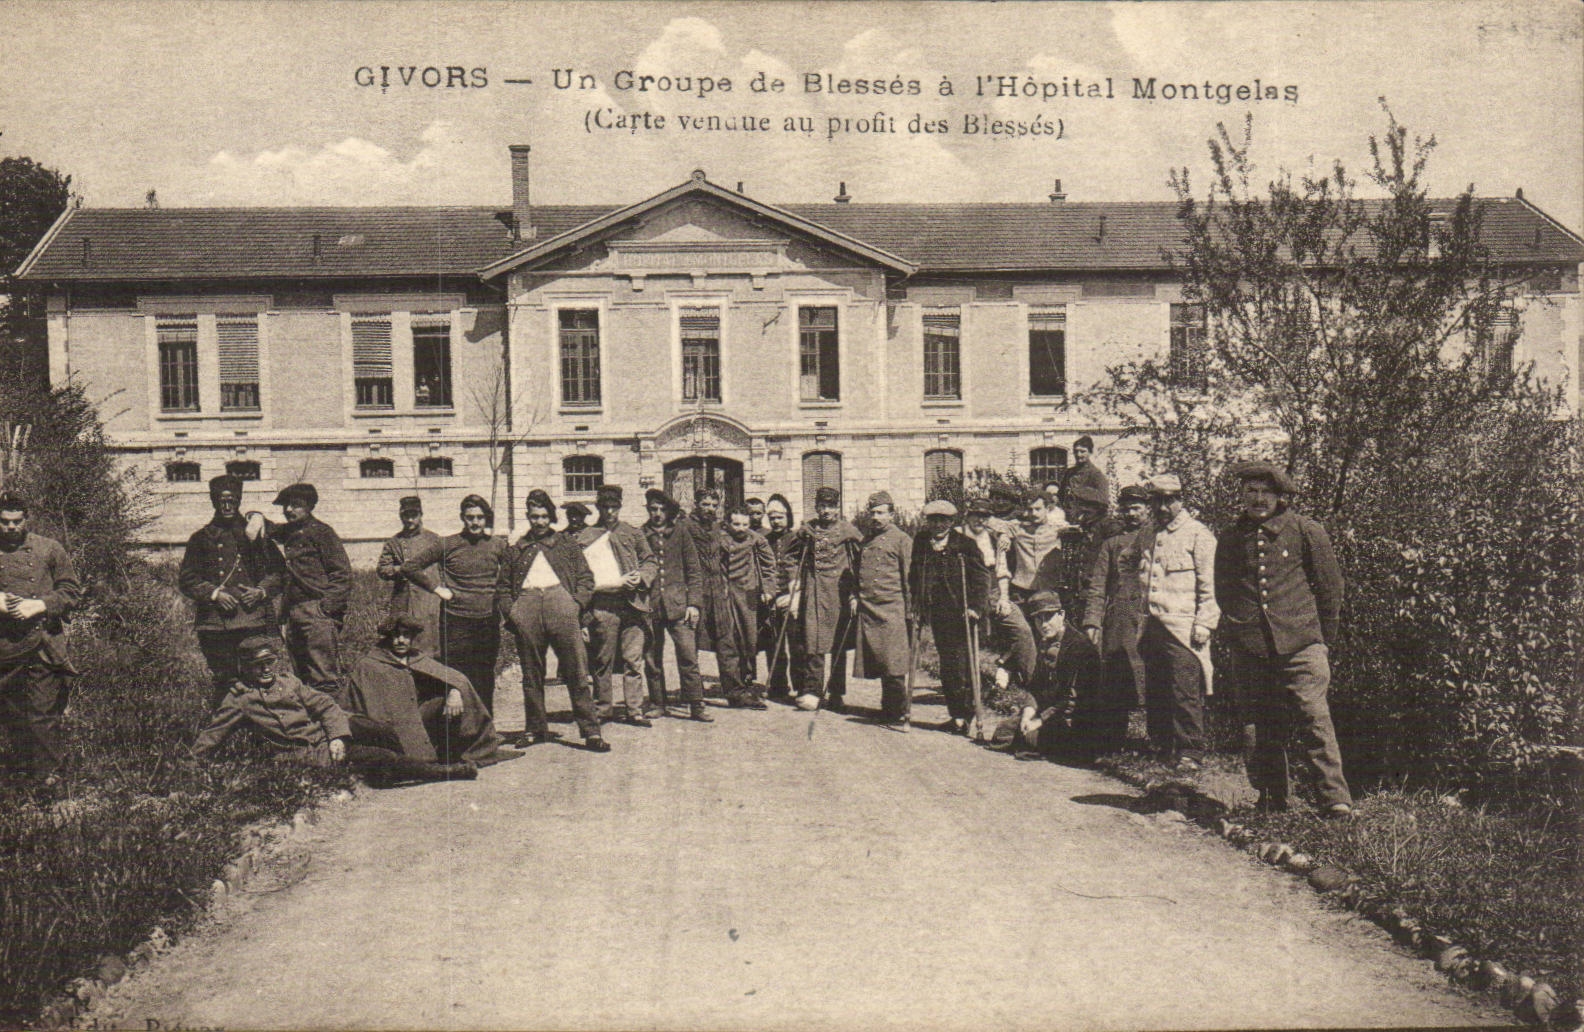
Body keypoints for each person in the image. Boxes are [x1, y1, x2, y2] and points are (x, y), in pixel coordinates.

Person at [1216, 462, 1352, 818]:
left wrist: (1323, 640)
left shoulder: (1306, 530)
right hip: (1251, 647)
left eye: (1266, 492)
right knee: (1258, 725)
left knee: (1314, 718)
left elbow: (1330, 589)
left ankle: (1335, 800)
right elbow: (1224, 589)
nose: (1258, 499)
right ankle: (1272, 798)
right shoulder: (1232, 537)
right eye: (1251, 492)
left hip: (1302, 644)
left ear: (1279, 496)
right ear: (1242, 495)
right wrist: (1239, 630)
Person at [194, 634, 477, 784]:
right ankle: (443, 772)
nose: (267, 669)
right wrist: (192, 762)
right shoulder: (239, 698)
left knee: (380, 730)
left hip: (327, 738)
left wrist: (337, 736)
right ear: (246, 667)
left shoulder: (289, 683)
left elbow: (326, 705)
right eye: (259, 665)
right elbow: (213, 732)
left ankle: (398, 766)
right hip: (304, 753)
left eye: (270, 662)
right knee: (380, 755)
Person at [496, 490, 608, 751]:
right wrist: (512, 612)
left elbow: (586, 578)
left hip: (562, 605)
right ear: (528, 517)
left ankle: (591, 731)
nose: (539, 522)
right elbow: (502, 586)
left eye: (544, 516)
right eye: (534, 516)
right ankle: (535, 729)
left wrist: (575, 605)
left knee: (576, 670)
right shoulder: (517, 549)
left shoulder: (566, 544)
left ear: (551, 517)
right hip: (527, 606)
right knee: (531, 673)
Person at [340, 614, 508, 766]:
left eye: (406, 635)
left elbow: (456, 678)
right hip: (389, 729)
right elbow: (349, 706)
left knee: (448, 700)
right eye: (396, 635)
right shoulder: (369, 665)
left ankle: (460, 751)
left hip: (419, 718)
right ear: (387, 638)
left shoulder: (417, 658)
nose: (401, 640)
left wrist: (454, 691)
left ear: (413, 637)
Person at [179, 474, 285, 707]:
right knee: (224, 681)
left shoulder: (255, 534)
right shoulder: (201, 538)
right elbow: (187, 578)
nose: (227, 506)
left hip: (252, 619)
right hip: (215, 624)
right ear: (213, 501)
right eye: (221, 500)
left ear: (239, 500)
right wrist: (214, 594)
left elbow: (279, 572)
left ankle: (262, 732)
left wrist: (261, 591)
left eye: (232, 500)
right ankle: (226, 733)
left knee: (258, 678)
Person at [1136, 473, 1219, 768]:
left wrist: (1205, 623)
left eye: (1169, 500)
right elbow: (1128, 561)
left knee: (1185, 691)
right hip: (1152, 625)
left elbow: (1211, 584)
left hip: (1184, 628)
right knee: (1157, 689)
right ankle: (1162, 746)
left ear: (1181, 501)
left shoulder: (1198, 534)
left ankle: (1190, 752)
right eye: (1157, 500)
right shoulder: (1147, 533)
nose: (1162, 507)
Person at [400, 495, 507, 714]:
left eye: (479, 517)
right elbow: (410, 567)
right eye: (470, 518)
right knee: (456, 678)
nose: (475, 522)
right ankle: (459, 738)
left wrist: (501, 597)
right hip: (456, 621)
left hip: (487, 621)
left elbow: (514, 573)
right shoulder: (447, 544)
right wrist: (437, 589)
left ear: (486, 518)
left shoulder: (498, 545)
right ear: (462, 518)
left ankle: (485, 736)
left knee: (485, 677)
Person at [0, 493, 80, 785]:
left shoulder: (49, 549)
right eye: (4, 521)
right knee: (12, 717)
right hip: (5, 648)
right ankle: (21, 780)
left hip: (43, 644)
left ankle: (51, 783)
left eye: (16, 521)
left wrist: (41, 604)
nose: (10, 527)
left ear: (27, 519)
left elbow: (71, 591)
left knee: (42, 715)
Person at [1079, 484, 1151, 758]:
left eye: (1137, 508)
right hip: (1119, 620)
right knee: (1117, 679)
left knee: (1153, 678)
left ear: (1147, 509)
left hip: (1151, 617)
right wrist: (1092, 621)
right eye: (1127, 508)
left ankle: (1155, 743)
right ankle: (1112, 743)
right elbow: (1098, 585)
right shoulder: (1112, 544)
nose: (1132, 513)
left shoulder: (1159, 539)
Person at [908, 500, 991, 735]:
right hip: (936, 611)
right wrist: (917, 603)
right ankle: (956, 715)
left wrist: (975, 606)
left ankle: (966, 715)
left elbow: (982, 578)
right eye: (933, 520)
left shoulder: (965, 544)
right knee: (947, 665)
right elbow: (914, 574)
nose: (937, 525)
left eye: (942, 520)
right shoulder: (922, 542)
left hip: (961, 612)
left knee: (962, 664)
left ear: (951, 522)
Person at [580, 484, 658, 726]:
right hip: (604, 606)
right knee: (603, 661)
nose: (610, 512)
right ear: (598, 508)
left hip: (633, 605)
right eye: (605, 507)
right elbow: (581, 577)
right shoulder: (585, 537)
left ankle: (635, 709)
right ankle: (603, 709)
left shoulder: (633, 533)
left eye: (614, 507)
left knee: (633, 659)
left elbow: (650, 560)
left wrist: (642, 576)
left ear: (620, 507)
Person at [784, 486, 862, 713]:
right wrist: (793, 581)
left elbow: (860, 561)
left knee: (837, 643)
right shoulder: (807, 531)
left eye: (831, 506)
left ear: (838, 507)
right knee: (813, 641)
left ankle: (837, 693)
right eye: (822, 506)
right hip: (814, 591)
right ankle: (813, 691)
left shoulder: (849, 531)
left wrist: (856, 591)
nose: (826, 511)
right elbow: (790, 557)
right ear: (816, 507)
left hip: (839, 592)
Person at [268, 483, 351, 691]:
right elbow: (270, 529)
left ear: (309, 506)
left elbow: (342, 574)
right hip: (292, 613)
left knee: (324, 677)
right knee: (301, 675)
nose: (288, 510)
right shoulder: (290, 531)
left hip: (316, 612)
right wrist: (253, 516)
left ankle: (332, 720)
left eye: (295, 505)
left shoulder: (322, 532)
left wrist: (326, 609)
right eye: (285, 506)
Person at [641, 489, 710, 721]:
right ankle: (658, 703)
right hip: (651, 607)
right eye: (653, 509)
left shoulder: (681, 533)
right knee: (652, 658)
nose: (657, 514)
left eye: (661, 509)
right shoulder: (642, 534)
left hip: (679, 607)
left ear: (669, 511)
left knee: (688, 656)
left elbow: (694, 571)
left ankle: (696, 704)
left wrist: (694, 604)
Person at [960, 495, 1037, 691]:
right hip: (965, 596)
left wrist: (1003, 598)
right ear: (968, 516)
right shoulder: (957, 537)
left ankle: (1034, 684)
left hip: (993, 593)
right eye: (976, 515)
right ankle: (966, 687)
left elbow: (1002, 572)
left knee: (1022, 630)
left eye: (985, 517)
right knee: (963, 642)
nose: (980, 521)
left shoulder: (994, 539)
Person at [853, 491, 913, 724]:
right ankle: (887, 707)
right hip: (869, 609)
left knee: (894, 662)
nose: (875, 517)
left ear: (892, 515)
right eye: (872, 512)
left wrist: (910, 611)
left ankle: (897, 710)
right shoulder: (866, 540)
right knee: (879, 660)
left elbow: (908, 577)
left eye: (880, 513)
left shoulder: (902, 540)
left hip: (893, 608)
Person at [718, 508, 776, 708]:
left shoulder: (757, 540)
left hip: (749, 595)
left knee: (749, 640)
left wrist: (768, 590)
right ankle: (734, 689)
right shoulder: (721, 540)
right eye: (736, 524)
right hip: (726, 595)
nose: (741, 529)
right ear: (728, 524)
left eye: (745, 524)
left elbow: (769, 566)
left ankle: (747, 681)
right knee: (728, 641)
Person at [682, 487, 735, 696]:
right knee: (690, 643)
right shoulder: (684, 527)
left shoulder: (717, 527)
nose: (710, 509)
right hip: (695, 590)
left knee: (726, 641)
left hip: (717, 591)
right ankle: (691, 691)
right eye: (705, 504)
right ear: (696, 504)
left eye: (714, 505)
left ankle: (733, 691)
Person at [376, 496, 441, 646]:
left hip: (428, 598)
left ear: (421, 515)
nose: (410, 520)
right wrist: (399, 570)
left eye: (414, 516)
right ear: (401, 516)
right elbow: (382, 569)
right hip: (403, 598)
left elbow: (445, 568)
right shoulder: (394, 542)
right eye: (406, 516)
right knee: (402, 637)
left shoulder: (434, 539)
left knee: (428, 637)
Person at [757, 494, 797, 700]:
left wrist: (794, 594)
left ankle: (802, 686)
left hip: (794, 597)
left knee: (797, 642)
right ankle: (778, 684)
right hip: (772, 597)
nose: (776, 522)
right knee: (774, 644)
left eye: (780, 517)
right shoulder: (765, 540)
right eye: (772, 518)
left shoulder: (797, 538)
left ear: (788, 517)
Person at [1060, 435, 1110, 518]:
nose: (1078, 455)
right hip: (1069, 517)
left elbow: (1103, 500)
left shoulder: (1096, 474)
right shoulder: (1069, 473)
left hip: (1089, 519)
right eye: (1076, 451)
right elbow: (1061, 495)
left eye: (1082, 451)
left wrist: (1078, 491)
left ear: (1090, 452)